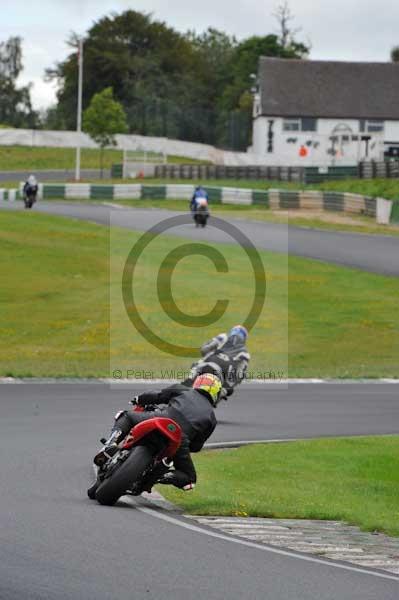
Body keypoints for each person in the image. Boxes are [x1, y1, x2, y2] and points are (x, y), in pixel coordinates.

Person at [93, 373, 221, 494]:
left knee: (126, 416)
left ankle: (111, 444)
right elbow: (196, 447)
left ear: (197, 383)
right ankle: (160, 475)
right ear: (216, 393)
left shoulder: (183, 390)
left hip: (160, 419)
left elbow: (157, 396)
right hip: (179, 439)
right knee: (189, 478)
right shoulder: (212, 418)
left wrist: (138, 399)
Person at [184, 325, 250, 399]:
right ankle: (217, 397)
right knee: (228, 388)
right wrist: (228, 387)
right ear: (244, 339)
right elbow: (239, 375)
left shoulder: (223, 337)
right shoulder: (245, 353)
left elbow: (204, 350)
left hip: (210, 361)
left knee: (195, 367)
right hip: (225, 372)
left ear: (231, 332)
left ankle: (186, 384)